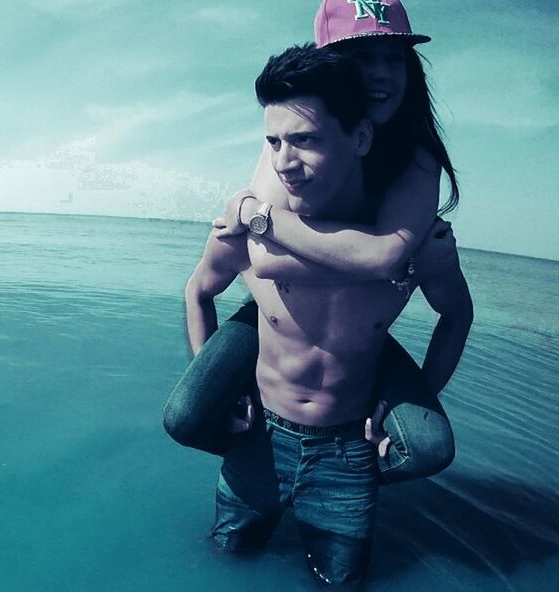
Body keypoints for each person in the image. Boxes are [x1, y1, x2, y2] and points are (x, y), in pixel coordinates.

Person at [188, 43, 471, 585]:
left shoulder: (412, 241)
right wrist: (223, 397)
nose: (284, 162)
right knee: (224, 563)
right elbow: (198, 289)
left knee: (343, 580)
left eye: (306, 141)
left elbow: (456, 315)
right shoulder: (252, 224)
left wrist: (398, 406)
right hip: (256, 442)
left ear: (359, 137)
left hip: (348, 455)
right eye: (273, 143)